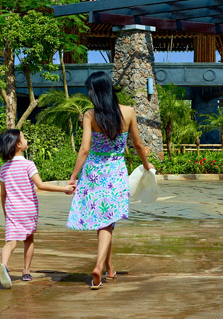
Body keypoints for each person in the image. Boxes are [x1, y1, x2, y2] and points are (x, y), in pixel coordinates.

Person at [66, 71, 153, 289]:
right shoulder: (128, 112)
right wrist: (146, 165)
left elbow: (84, 149)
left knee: (105, 221)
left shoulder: (90, 115)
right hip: (115, 171)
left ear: (96, 92)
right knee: (107, 221)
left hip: (94, 171)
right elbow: (138, 144)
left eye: (89, 90)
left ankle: (108, 268)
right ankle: (101, 266)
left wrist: (73, 177)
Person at [0, 129, 74, 289]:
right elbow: (40, 185)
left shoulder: (4, 168)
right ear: (18, 144)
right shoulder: (29, 165)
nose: (26, 140)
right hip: (28, 209)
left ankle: (4, 265)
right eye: (24, 137)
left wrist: (6, 213)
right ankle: (26, 271)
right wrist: (64, 188)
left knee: (10, 241)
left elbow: (3, 194)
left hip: (12, 210)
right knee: (28, 239)